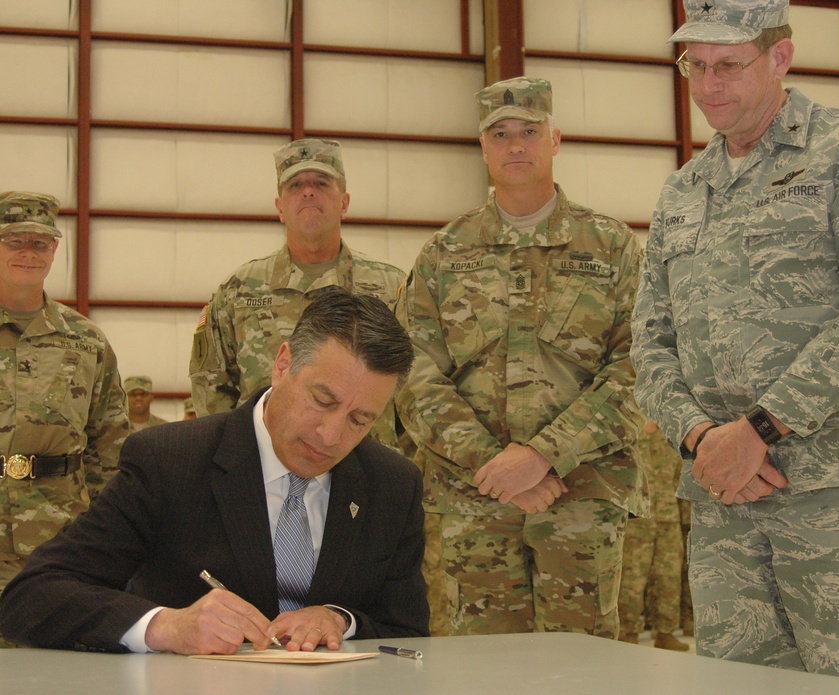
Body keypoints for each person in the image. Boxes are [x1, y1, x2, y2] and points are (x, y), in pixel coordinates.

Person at [631, 0, 839, 683]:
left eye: (728, 64)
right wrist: (703, 437)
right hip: (726, 503)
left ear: (780, 58)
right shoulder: (682, 192)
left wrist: (758, 428)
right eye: (693, 66)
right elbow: (649, 344)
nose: (707, 86)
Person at [0, 287, 428, 655]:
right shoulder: (170, 461)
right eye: (323, 400)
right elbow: (33, 596)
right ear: (282, 365)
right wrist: (166, 626)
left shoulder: (393, 484)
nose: (331, 436)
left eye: (360, 420)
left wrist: (342, 620)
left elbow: (409, 631)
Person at [395, 77, 645, 638]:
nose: (515, 145)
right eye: (500, 133)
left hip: (582, 493)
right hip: (475, 496)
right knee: (483, 670)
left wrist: (544, 456)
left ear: (554, 139)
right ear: (481, 147)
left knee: (581, 670)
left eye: (529, 131)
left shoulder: (611, 246)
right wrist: (496, 465)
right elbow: (413, 376)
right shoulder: (444, 253)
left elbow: (640, 367)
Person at [0, 191, 130, 649]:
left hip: (63, 545)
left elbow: (109, 449)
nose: (28, 253)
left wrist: (115, 544)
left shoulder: (87, 341)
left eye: (40, 243)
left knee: (59, 672)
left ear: (55, 250)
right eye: (14, 239)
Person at [189, 138, 405, 450]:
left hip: (363, 461)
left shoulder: (390, 287)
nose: (308, 191)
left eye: (321, 182)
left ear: (344, 202)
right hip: (265, 465)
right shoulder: (239, 289)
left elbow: (414, 387)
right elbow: (210, 382)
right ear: (279, 208)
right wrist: (237, 453)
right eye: (294, 185)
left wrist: (396, 459)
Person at [617, 420, 687, 651]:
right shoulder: (630, 434)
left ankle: (665, 632)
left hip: (668, 519)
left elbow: (680, 476)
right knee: (631, 583)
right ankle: (627, 635)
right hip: (637, 521)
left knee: (669, 578)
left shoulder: (670, 436)